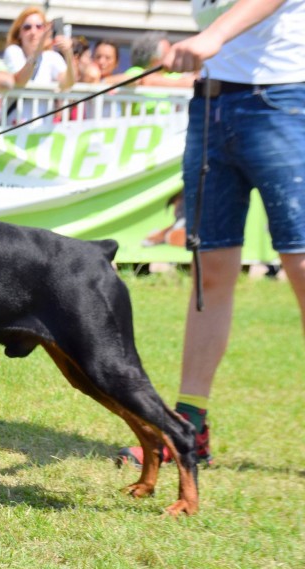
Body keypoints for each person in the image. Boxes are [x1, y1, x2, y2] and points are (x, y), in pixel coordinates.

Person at [118, 0, 305, 468]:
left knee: (302, 269)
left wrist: (214, 35)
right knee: (209, 279)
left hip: (283, 100)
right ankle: (190, 431)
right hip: (210, 106)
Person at [3, 7, 74, 90]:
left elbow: (67, 84)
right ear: (19, 33)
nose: (33, 32)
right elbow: (20, 81)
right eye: (27, 27)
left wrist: (68, 54)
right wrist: (40, 47)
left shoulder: (51, 56)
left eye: (39, 27)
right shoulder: (13, 51)